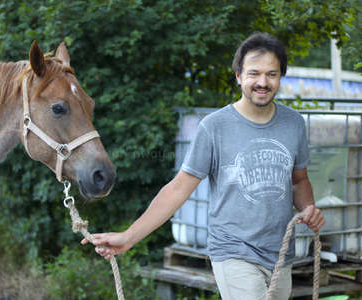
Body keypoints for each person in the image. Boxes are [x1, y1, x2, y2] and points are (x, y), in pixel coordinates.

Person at [82, 32, 325, 300]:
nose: (262, 82)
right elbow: (178, 189)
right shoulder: (214, 127)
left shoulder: (294, 124)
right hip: (234, 252)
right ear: (238, 75)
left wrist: (308, 208)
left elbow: (299, 180)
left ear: (281, 77)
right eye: (254, 73)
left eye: (272, 74)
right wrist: (128, 237)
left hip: (280, 253)